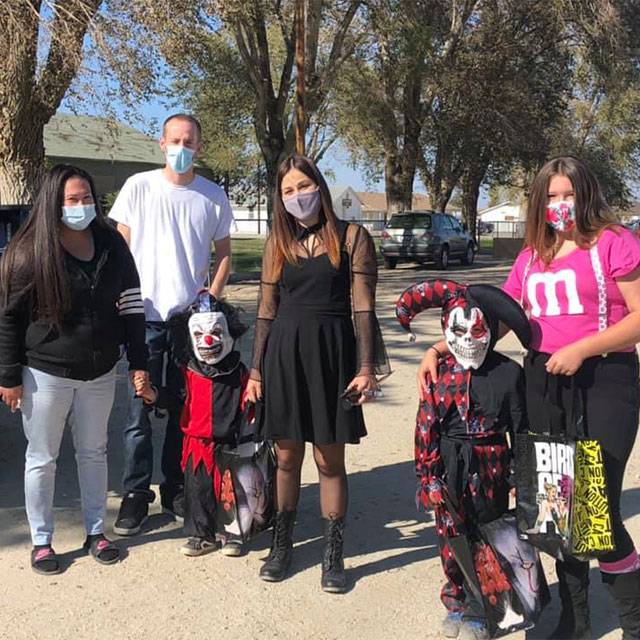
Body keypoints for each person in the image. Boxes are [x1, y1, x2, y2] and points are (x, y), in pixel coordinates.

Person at [420, 156, 640, 639]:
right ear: (539, 203)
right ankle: (575, 618)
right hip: (543, 380)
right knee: (558, 508)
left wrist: (582, 348)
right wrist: (442, 347)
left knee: (595, 502)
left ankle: (633, 620)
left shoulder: (614, 242)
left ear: (587, 194)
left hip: (604, 379)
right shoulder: (531, 256)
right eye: (552, 196)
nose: (561, 205)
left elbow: (638, 317)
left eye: (569, 194)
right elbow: (499, 319)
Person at [245, 154, 390, 592]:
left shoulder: (352, 238)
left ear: (320, 188)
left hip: (332, 354)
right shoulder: (277, 243)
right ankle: (282, 543)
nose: (296, 197)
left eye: (303, 187)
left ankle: (333, 553)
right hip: (284, 355)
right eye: (287, 191)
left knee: (330, 459)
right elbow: (266, 312)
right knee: (286, 457)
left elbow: (363, 305)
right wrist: (255, 371)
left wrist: (366, 368)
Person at [0, 164, 148, 574]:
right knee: (42, 458)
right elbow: (8, 319)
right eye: (72, 200)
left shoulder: (111, 245)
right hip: (44, 374)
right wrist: (8, 376)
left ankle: (96, 531)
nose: (81, 206)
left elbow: (132, 302)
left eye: (86, 198)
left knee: (94, 452)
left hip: (100, 372)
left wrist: (139, 362)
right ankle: (42, 540)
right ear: (53, 202)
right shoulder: (29, 251)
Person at [109, 113, 235, 535]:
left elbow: (225, 253)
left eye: (190, 141)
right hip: (142, 319)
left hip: (190, 324)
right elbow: (120, 249)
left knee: (185, 410)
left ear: (199, 146)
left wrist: (211, 295)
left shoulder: (212, 195)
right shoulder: (138, 188)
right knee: (138, 412)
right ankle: (135, 494)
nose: (182, 147)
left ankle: (176, 487)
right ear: (162, 144)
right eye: (175, 139)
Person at [396, 279, 532, 640]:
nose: (469, 338)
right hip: (449, 466)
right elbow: (426, 427)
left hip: (492, 465)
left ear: (490, 329)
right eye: (459, 329)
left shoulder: (508, 373)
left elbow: (520, 428)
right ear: (445, 328)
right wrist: (427, 478)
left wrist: (522, 477)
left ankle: (480, 606)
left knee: (488, 534)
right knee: (450, 536)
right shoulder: (440, 374)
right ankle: (455, 598)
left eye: (477, 328)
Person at [135, 294, 250, 557]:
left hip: (230, 443)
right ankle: (202, 535)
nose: (207, 341)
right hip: (196, 444)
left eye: (215, 332)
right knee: (198, 491)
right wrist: (153, 394)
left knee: (231, 490)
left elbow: (250, 400)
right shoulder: (188, 371)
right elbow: (176, 399)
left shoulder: (238, 371)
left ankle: (232, 534)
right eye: (199, 334)